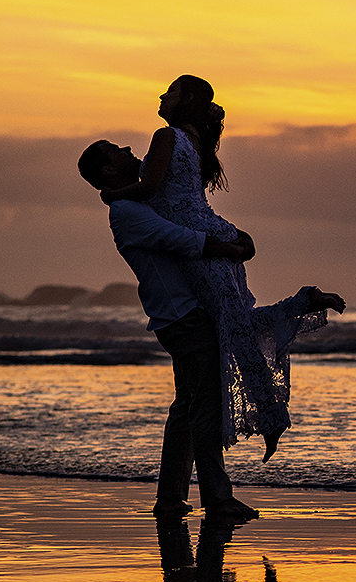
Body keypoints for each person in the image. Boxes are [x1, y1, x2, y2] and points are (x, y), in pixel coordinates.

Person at [100, 75, 345, 460]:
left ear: (189, 99)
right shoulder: (197, 142)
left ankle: (271, 416)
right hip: (214, 234)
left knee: (236, 327)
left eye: (172, 91)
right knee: (237, 324)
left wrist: (111, 192)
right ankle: (301, 312)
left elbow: (149, 190)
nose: (163, 96)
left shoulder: (166, 137)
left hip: (205, 248)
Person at [78, 139, 260, 520]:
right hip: (183, 318)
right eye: (116, 150)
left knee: (188, 407)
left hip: (179, 317)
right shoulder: (126, 210)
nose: (128, 148)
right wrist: (232, 249)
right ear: (109, 170)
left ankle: (171, 497)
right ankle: (216, 498)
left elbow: (188, 220)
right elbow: (180, 239)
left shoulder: (138, 201)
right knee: (204, 409)